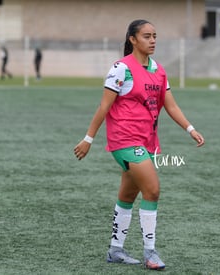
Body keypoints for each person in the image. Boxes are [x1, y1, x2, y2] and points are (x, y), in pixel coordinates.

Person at [73, 19, 205, 270]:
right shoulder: (121, 68)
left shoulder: (158, 70)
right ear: (132, 39)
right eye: (146, 36)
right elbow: (104, 106)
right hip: (124, 140)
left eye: (155, 35)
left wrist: (190, 129)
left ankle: (115, 250)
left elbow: (171, 105)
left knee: (128, 194)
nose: (152, 40)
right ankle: (150, 253)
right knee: (153, 189)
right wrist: (88, 138)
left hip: (147, 142)